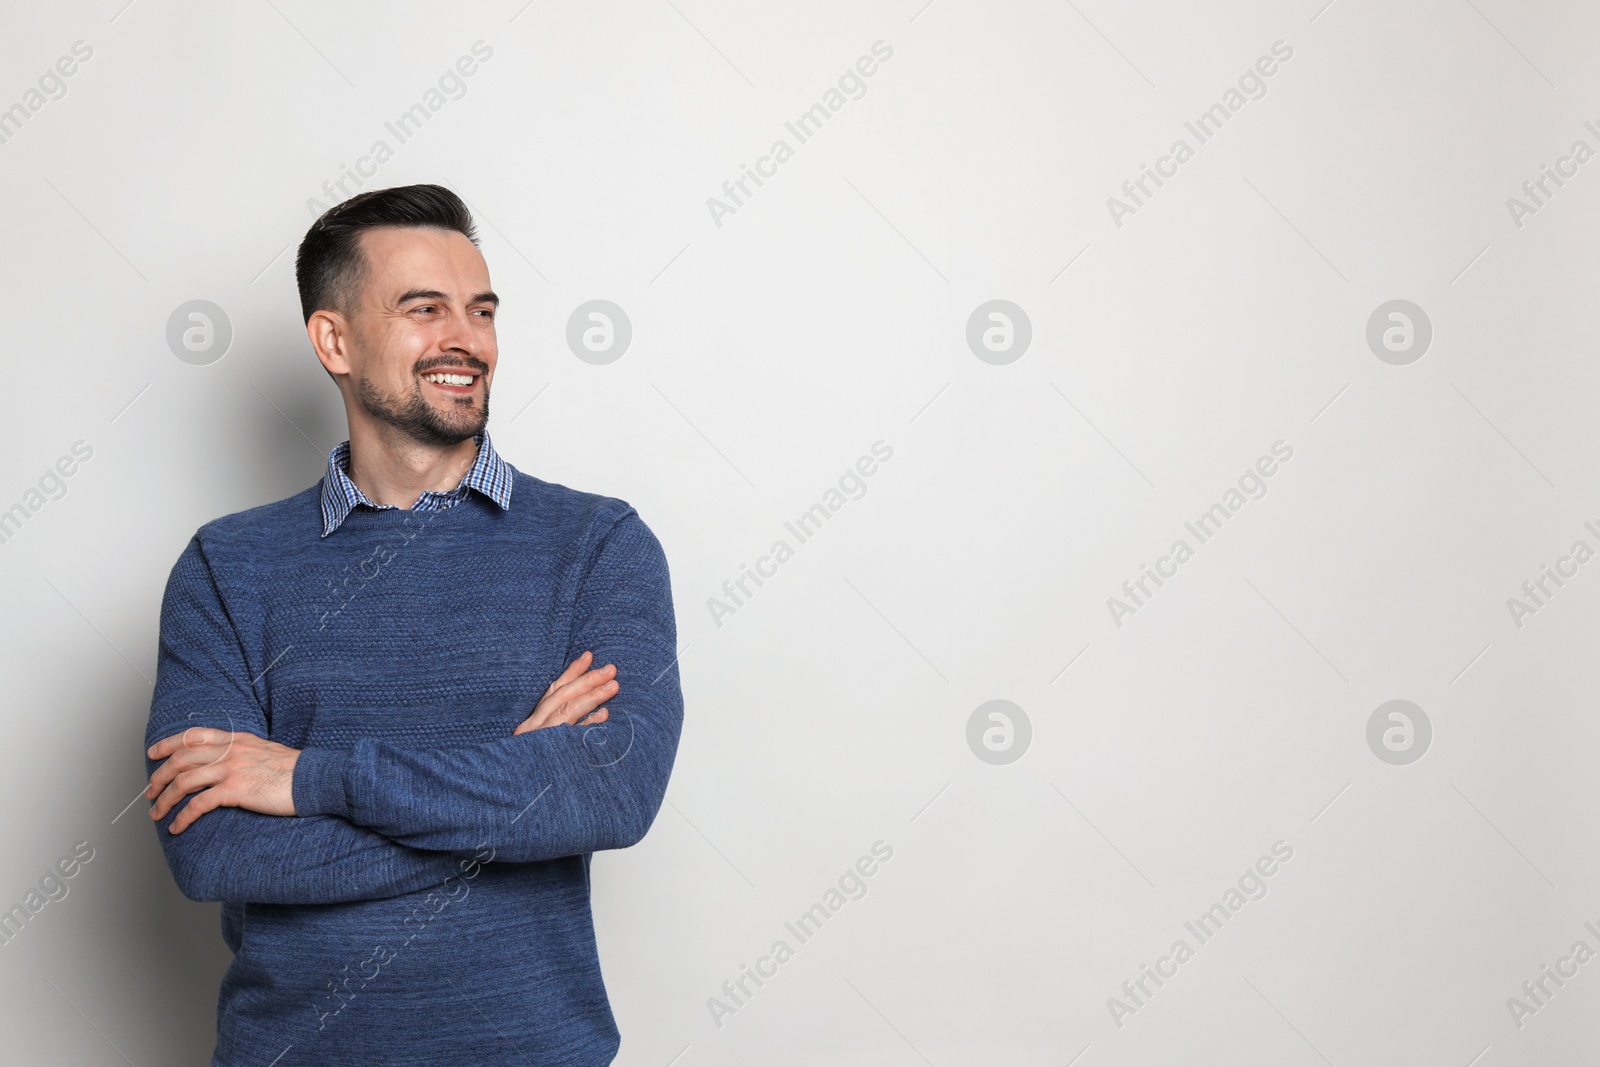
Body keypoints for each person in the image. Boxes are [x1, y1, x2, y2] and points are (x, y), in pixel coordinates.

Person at [141, 183, 683, 1066]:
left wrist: (313, 780)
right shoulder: (226, 566)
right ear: (335, 341)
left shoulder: (597, 545)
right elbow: (214, 850)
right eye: (423, 309)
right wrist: (512, 803)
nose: (465, 339)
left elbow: (611, 794)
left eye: (481, 310)